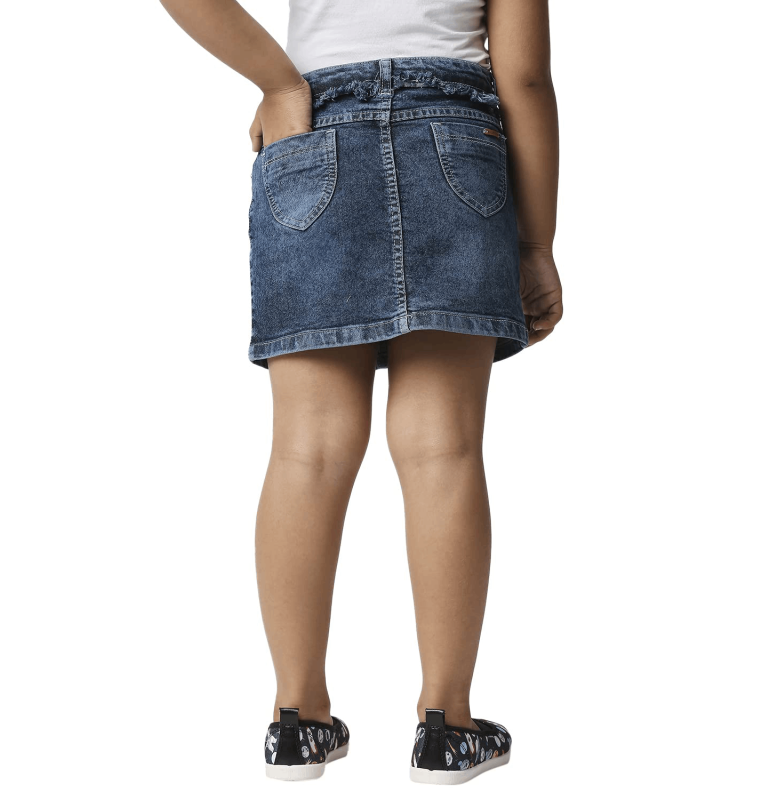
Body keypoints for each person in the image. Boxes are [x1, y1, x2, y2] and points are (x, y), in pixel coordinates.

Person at [159, 0, 562, 784]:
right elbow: (525, 78)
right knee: (442, 449)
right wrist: (537, 242)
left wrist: (279, 84)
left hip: (314, 134)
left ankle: (297, 720)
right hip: (455, 138)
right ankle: (447, 727)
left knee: (306, 453)